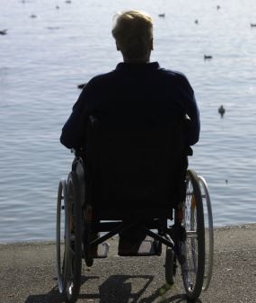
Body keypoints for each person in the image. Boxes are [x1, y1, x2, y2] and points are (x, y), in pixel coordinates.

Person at [60, 10, 200, 256]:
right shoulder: (176, 84)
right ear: (152, 43)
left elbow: (68, 138)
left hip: (106, 189)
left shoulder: (98, 88)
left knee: (81, 165)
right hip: (162, 187)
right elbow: (194, 135)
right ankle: (133, 237)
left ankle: (87, 236)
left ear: (117, 45)